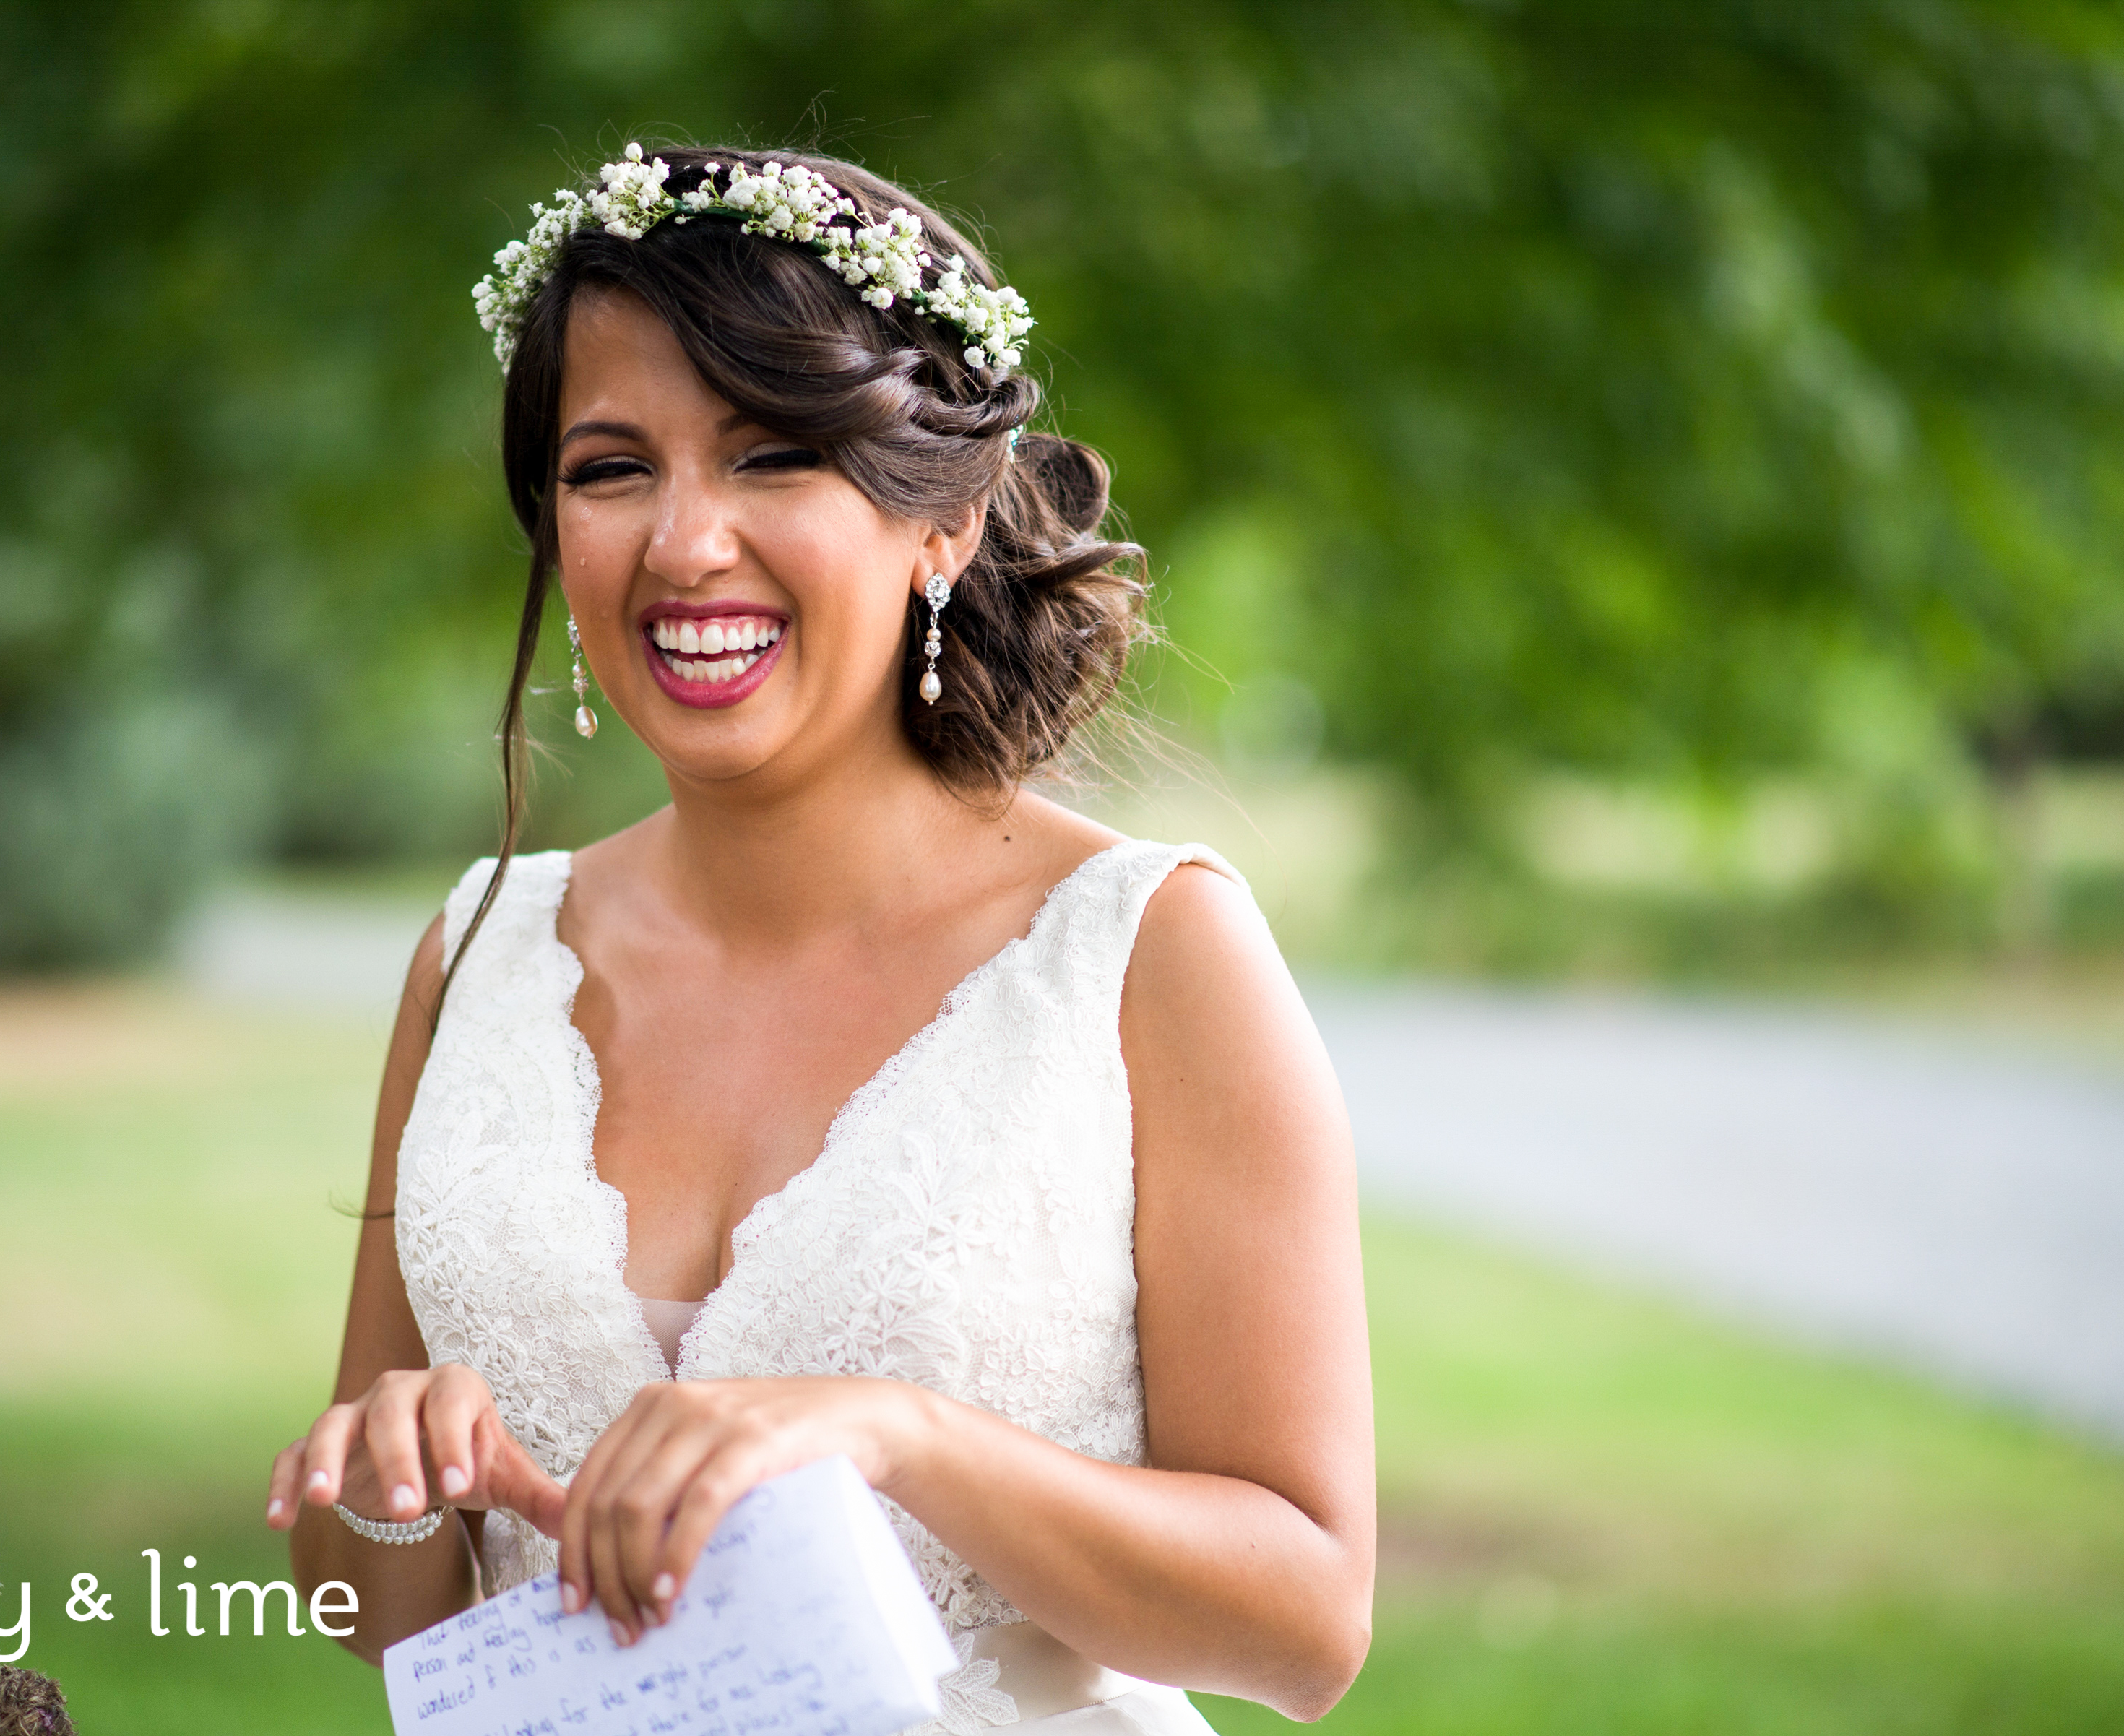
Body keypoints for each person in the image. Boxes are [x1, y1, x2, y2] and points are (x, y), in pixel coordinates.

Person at [265, 144, 1375, 1730]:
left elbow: (1308, 1619)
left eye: (775, 456)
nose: (684, 544)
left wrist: (898, 1433)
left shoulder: (1145, 952)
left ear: (948, 520)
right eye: (608, 468)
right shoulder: (478, 958)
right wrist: (385, 1476)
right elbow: (372, 1620)